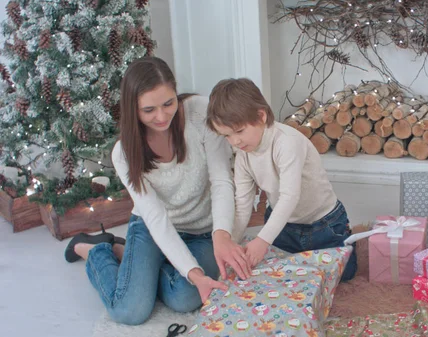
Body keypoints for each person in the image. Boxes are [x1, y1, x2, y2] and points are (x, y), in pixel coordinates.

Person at [63, 57, 251, 325]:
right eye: (149, 110)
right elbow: (156, 219)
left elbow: (222, 180)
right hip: (152, 227)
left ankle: (133, 259)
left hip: (202, 229)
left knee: (185, 297)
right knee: (130, 311)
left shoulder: (201, 112)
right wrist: (195, 273)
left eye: (168, 103)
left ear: (176, 92)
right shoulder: (124, 153)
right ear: (133, 109)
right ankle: (96, 251)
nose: (162, 116)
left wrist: (222, 235)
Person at [205, 78, 357, 282]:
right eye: (227, 136)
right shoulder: (243, 154)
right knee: (281, 276)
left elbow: (289, 197)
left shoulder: (287, 142)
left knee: (343, 275)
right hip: (285, 227)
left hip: (324, 223)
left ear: (260, 116)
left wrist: (262, 241)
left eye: (239, 131)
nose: (235, 141)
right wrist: (232, 243)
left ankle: (348, 238)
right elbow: (242, 204)